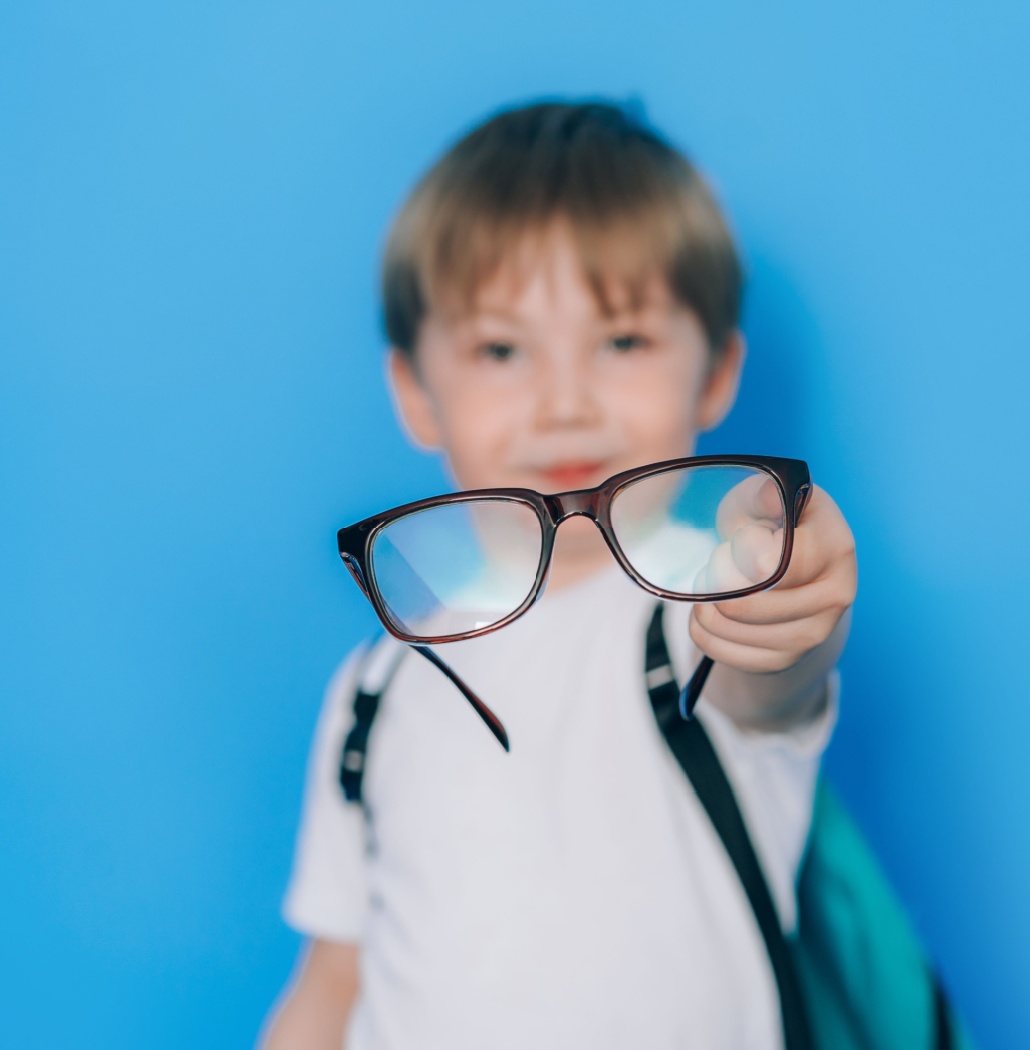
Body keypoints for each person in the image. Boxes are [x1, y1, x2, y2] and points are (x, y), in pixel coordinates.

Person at [260, 100, 857, 1049]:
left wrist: (790, 591)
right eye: (501, 350)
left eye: (623, 342)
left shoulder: (707, 612)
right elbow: (336, 977)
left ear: (715, 374)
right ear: (416, 392)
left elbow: (776, 671)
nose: (565, 402)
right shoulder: (376, 688)